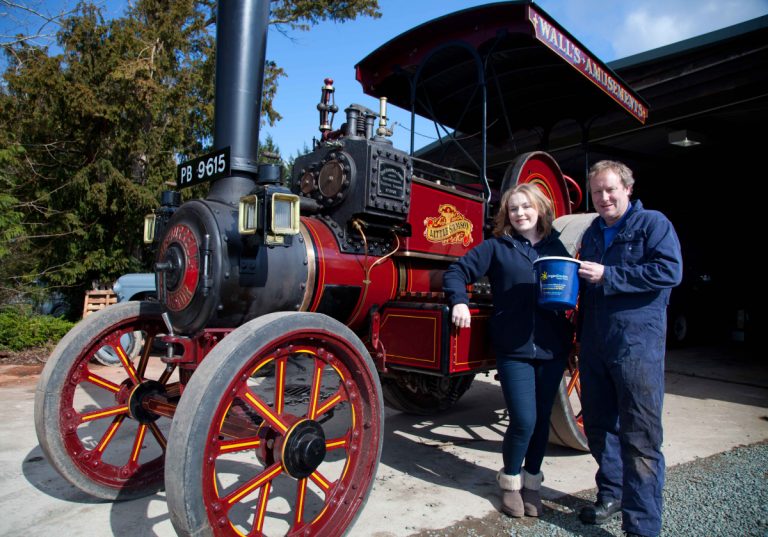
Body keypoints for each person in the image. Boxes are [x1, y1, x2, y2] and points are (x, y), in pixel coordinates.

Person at [443, 183, 574, 518]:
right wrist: (459, 301)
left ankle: (533, 483)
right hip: (514, 347)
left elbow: (573, 288)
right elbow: (458, 271)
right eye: (513, 209)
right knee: (524, 419)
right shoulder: (497, 247)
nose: (520, 214)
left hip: (550, 346)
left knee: (543, 419)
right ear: (506, 215)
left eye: (526, 207)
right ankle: (510, 482)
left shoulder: (555, 247)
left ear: (540, 210)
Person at [576, 160, 682, 537]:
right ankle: (612, 494)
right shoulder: (591, 233)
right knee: (600, 427)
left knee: (640, 437)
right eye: (597, 192)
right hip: (595, 345)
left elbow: (670, 271)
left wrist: (610, 275)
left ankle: (642, 527)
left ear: (627, 189)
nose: (604, 198)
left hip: (637, 346)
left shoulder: (652, 225)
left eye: (610, 190)